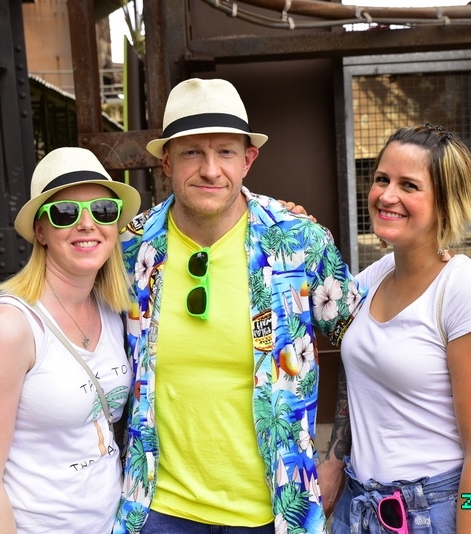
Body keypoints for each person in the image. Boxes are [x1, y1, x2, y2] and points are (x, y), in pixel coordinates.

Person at [114, 78, 365, 534]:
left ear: (248, 159)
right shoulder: (131, 248)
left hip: (276, 512)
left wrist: (337, 458)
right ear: (166, 161)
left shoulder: (298, 242)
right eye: (192, 152)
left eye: (225, 152)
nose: (210, 170)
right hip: (157, 511)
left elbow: (362, 347)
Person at [323, 124, 471, 533]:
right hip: (361, 507)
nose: (386, 195)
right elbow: (357, 372)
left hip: (438, 511)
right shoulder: (375, 277)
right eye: (382, 179)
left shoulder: (469, 291)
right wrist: (334, 459)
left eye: (409, 185)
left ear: (446, 203)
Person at [0, 147, 141, 533]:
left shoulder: (111, 310)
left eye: (103, 210)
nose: (87, 224)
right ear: (40, 231)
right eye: (65, 213)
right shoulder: (11, 324)